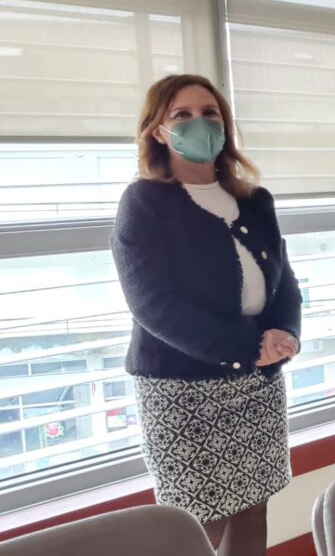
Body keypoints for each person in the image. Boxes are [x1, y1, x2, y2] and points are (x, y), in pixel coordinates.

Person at [111, 74, 302, 555]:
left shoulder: (255, 201)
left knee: (253, 510)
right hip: (182, 391)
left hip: (257, 384)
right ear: (157, 131)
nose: (200, 123)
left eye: (210, 112)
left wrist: (285, 333)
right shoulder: (144, 202)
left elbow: (284, 281)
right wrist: (248, 347)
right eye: (182, 114)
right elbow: (152, 304)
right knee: (198, 526)